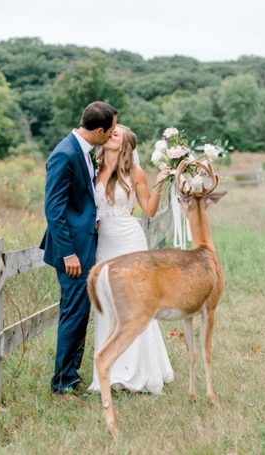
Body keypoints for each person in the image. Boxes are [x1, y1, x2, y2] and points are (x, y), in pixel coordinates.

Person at [88, 124, 175, 394]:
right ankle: (110, 371)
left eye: (116, 133)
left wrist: (160, 181)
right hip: (105, 244)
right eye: (109, 132)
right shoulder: (93, 170)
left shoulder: (134, 173)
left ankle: (141, 371)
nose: (109, 135)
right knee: (108, 301)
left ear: (125, 143)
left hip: (130, 241)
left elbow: (148, 210)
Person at [41, 101, 117, 394]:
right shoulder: (64, 154)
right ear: (99, 130)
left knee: (80, 311)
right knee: (73, 312)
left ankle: (71, 374)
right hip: (72, 251)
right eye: (110, 132)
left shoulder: (81, 151)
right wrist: (68, 252)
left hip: (84, 246)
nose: (110, 137)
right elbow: (54, 209)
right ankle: (62, 382)